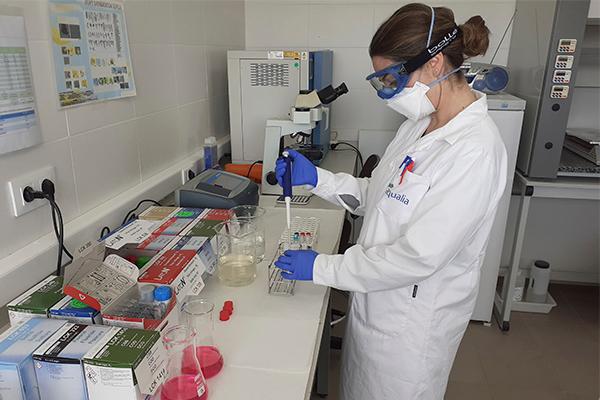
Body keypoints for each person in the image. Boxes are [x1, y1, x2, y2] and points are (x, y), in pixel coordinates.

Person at [274, 3, 508, 400]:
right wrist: (318, 179)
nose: (388, 91)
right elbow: (382, 196)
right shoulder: (419, 125)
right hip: (373, 302)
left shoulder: (474, 150)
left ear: (434, 64)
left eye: (392, 77)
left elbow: (419, 257)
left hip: (410, 330)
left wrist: (322, 267)